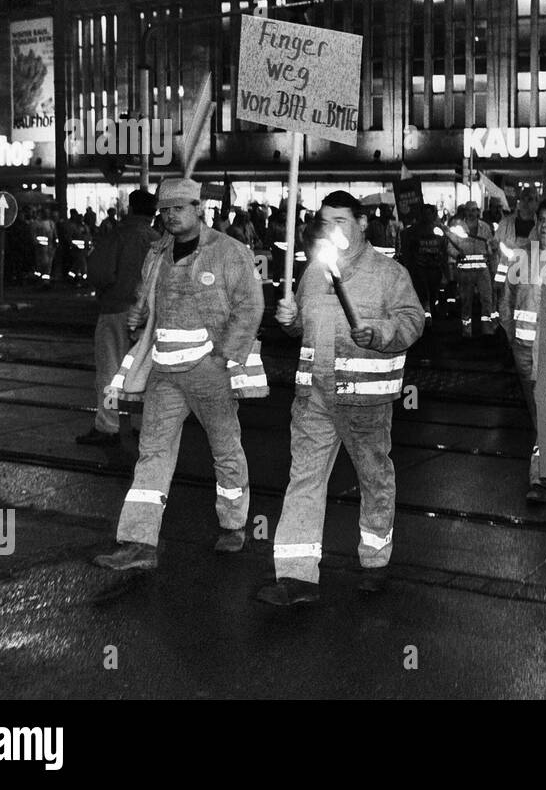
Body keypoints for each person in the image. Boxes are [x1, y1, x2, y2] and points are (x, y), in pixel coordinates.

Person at [257, 192, 425, 605]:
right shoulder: (314, 272)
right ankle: (295, 576)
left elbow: (412, 320)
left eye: (341, 221)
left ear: (363, 223)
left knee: (374, 479)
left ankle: (375, 560)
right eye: (325, 221)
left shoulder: (389, 273)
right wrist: (290, 321)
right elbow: (302, 329)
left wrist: (380, 334)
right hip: (313, 397)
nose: (332, 229)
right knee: (305, 478)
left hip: (364, 403)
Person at [93, 177, 265, 571]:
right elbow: (145, 301)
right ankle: (139, 543)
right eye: (165, 210)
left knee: (225, 448)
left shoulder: (229, 251)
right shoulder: (156, 252)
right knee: (152, 454)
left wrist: (224, 358)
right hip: (165, 371)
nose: (170, 216)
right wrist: (139, 317)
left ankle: (234, 524)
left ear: (198, 208)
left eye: (178, 208)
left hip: (210, 372)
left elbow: (250, 307)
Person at [503, 195, 546, 504]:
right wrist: (511, 336)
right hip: (524, 351)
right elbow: (505, 300)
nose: (543, 225)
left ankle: (542, 476)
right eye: (541, 219)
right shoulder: (522, 257)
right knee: (540, 414)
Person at [79, 189, 159, 446]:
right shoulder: (158, 240)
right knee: (140, 372)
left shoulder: (118, 235)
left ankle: (108, 426)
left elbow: (101, 272)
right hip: (147, 314)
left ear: (131, 208)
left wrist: (102, 293)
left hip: (116, 309)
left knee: (109, 368)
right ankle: (136, 424)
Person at [446, 202, 498, 338]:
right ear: (465, 212)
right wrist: (457, 255)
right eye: (468, 210)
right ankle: (466, 331)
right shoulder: (457, 228)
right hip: (465, 272)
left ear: (478, 212)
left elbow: (491, 247)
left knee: (487, 299)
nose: (471, 213)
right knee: (466, 301)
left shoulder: (485, 227)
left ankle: (487, 330)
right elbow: (450, 246)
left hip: (482, 270)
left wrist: (493, 255)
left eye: (474, 210)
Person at [401, 204, 448, 326]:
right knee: (422, 294)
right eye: (425, 213)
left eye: (430, 213)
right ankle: (426, 319)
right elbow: (408, 250)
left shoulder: (438, 230)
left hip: (434, 268)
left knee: (433, 293)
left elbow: (444, 248)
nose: (427, 216)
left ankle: (433, 312)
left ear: (433, 215)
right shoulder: (412, 231)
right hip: (420, 268)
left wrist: (444, 268)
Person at [494, 189, 538, 320]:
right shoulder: (505, 224)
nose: (525, 202)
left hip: (530, 280)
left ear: (536, 202)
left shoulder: (541, 226)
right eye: (523, 199)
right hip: (507, 278)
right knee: (506, 310)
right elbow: (496, 249)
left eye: (530, 199)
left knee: (526, 312)